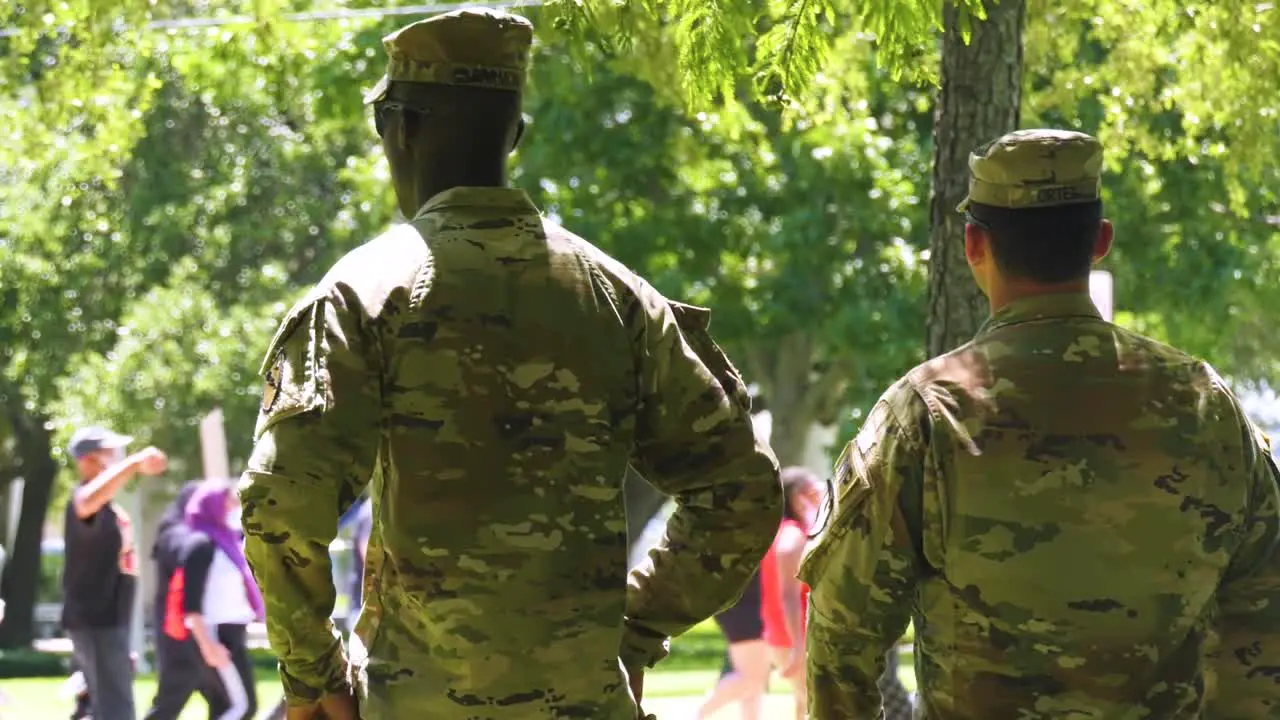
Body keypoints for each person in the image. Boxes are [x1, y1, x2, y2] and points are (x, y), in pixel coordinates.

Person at [237, 7, 782, 720]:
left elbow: (282, 505)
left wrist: (315, 679)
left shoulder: (363, 294)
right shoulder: (616, 296)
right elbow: (741, 490)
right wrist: (632, 631)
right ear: (515, 136)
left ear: (399, 128)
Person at [799, 128, 1280, 719]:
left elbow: (841, 635)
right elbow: (1262, 620)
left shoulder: (926, 416)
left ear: (975, 243)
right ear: (1100, 240)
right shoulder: (1206, 406)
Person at [63, 426, 167, 720]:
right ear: (88, 459)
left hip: (108, 621)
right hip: (96, 620)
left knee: (97, 707)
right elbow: (86, 501)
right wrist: (134, 464)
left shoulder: (108, 510)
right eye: (110, 452)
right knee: (116, 710)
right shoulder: (83, 502)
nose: (117, 457)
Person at [178, 480, 264, 720]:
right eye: (228, 501)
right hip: (215, 635)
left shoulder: (229, 544)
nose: (234, 507)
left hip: (233, 633)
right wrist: (208, 645)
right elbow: (191, 605)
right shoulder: (201, 546)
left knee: (223, 707)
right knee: (242, 707)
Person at [144, 480, 226, 720]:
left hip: (196, 633)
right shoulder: (176, 534)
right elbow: (186, 549)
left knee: (225, 700)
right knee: (172, 698)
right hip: (178, 634)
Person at [693, 574, 770, 720]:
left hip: (749, 601)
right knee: (751, 677)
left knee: (754, 680)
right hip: (743, 604)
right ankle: (694, 715)